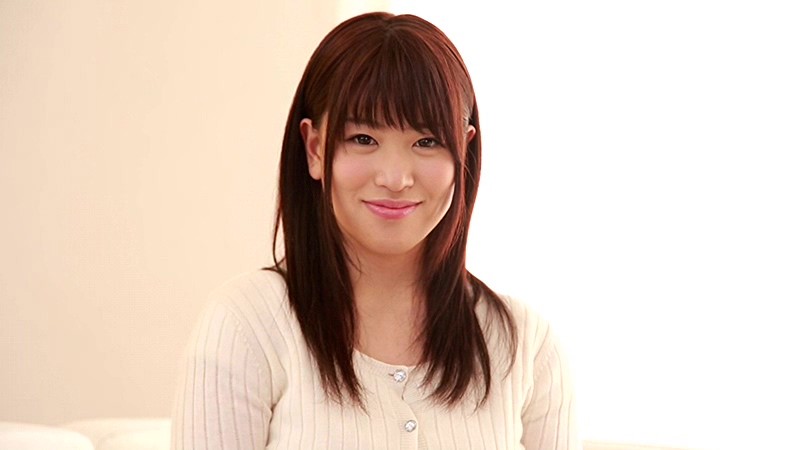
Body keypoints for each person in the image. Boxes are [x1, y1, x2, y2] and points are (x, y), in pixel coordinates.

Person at [171, 11, 579, 450]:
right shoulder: (245, 326)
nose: (395, 177)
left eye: (426, 142)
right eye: (363, 139)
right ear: (314, 149)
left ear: (463, 151)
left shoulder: (527, 346)